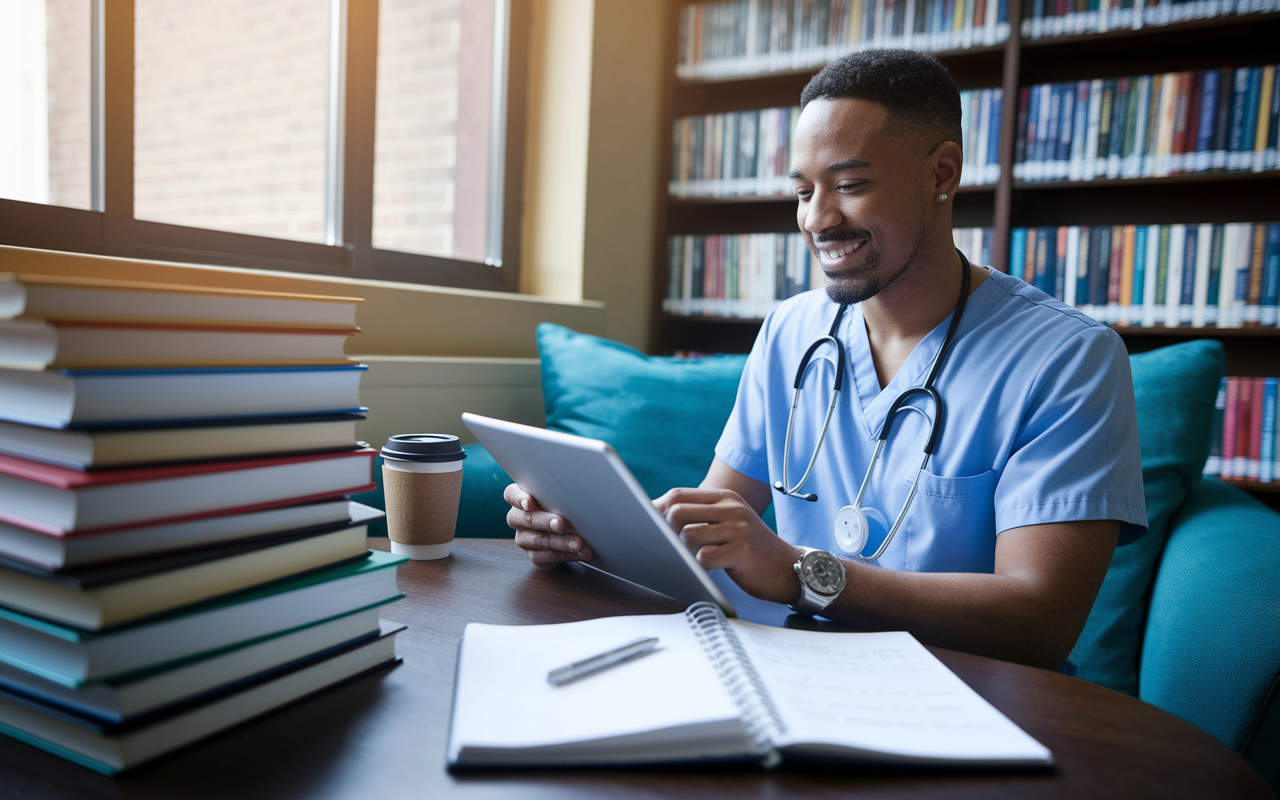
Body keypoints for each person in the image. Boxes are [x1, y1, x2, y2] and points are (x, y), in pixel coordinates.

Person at [505, 50, 1147, 670]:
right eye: (804, 190)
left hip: (971, 699)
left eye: (851, 185)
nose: (817, 219)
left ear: (942, 174)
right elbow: (706, 531)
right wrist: (586, 537)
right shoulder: (792, 330)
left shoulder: (1070, 359)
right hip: (793, 669)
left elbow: (1040, 623)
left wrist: (799, 573)